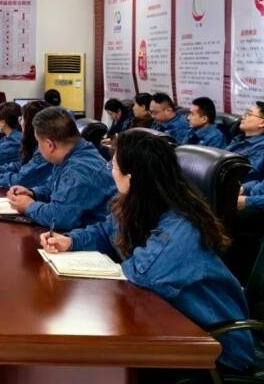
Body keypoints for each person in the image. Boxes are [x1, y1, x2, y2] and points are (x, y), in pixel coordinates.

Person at [41, 130, 254, 372]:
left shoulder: (181, 226)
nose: (110, 170)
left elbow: (141, 276)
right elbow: (106, 230)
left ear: (131, 178)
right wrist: (71, 241)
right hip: (165, 321)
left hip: (213, 345)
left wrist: (102, 271)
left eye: (114, 165)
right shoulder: (140, 202)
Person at [6, 107, 116, 230]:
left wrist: (28, 206)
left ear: (49, 145)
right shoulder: (73, 153)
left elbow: (58, 218)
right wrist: (33, 193)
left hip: (93, 237)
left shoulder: (79, 169)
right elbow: (53, 187)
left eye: (38, 142)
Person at [0, 101, 53, 189]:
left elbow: (20, 180)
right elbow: (23, 165)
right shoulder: (34, 143)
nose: (20, 122)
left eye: (22, 119)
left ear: (30, 124)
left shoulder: (42, 149)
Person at [226, 101, 264, 181]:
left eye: (249, 114)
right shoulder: (238, 138)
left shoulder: (261, 147)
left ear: (262, 123)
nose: (243, 117)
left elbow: (247, 174)